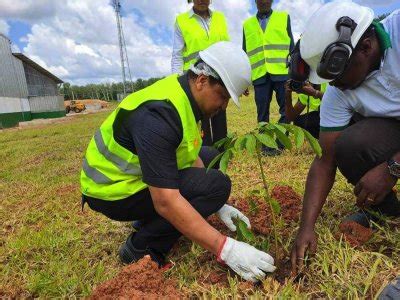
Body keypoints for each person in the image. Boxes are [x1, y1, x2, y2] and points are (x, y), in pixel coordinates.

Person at [80, 42, 276, 282]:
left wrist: (217, 205)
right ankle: (142, 247)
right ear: (202, 80)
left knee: (210, 158)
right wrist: (226, 248)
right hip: (111, 191)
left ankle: (146, 220)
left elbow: (188, 155)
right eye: (223, 97)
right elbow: (165, 201)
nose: (223, 106)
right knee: (216, 186)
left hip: (132, 178)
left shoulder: (183, 96)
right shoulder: (159, 115)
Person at [289, 1, 400, 280]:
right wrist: (306, 227)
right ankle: (387, 212)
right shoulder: (339, 92)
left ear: (365, 48)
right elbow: (325, 160)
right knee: (348, 145)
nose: (332, 86)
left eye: (336, 76)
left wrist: (392, 167)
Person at [172, 0, 230, 147]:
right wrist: (176, 81)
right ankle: (204, 153)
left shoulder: (220, 18)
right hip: (195, 81)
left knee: (219, 115)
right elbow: (177, 55)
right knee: (200, 120)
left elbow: (227, 48)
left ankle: (221, 152)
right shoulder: (182, 20)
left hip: (218, 78)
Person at [242, 0, 294, 155]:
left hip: (281, 72)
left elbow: (291, 47)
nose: (263, 1)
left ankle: (280, 143)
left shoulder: (284, 17)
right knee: (262, 113)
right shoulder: (247, 24)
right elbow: (244, 54)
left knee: (286, 110)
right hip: (259, 75)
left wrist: (293, 73)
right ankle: (266, 146)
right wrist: (244, 80)